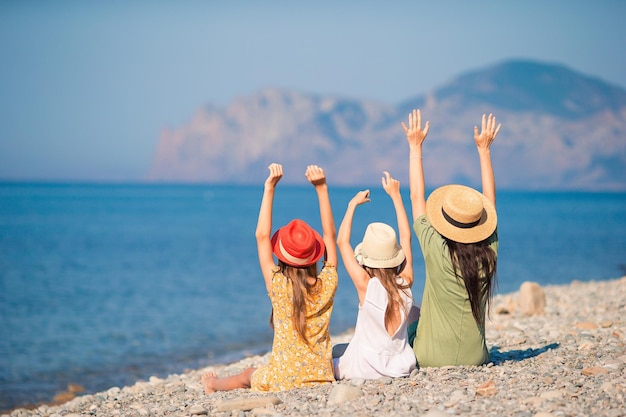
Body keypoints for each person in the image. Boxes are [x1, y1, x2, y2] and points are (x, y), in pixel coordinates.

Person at [202, 163, 338, 392]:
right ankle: (214, 384)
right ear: (315, 256)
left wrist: (270, 187)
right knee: (253, 373)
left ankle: (212, 384)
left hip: (283, 379)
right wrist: (322, 188)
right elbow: (330, 236)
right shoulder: (328, 283)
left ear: (283, 257)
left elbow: (262, 235)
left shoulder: (279, 284)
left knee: (248, 374)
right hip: (321, 375)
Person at [402, 109, 501, 368]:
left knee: (410, 312)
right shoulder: (489, 251)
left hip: (430, 357)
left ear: (444, 220)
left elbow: (415, 197)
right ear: (479, 223)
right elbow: (490, 202)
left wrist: (415, 147)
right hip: (477, 357)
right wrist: (484, 151)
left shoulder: (435, 246)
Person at [333, 171, 417, 380]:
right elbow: (406, 236)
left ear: (367, 260)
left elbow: (342, 241)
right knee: (339, 347)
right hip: (400, 365)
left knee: (333, 353)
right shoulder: (405, 282)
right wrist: (396, 196)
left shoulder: (366, 285)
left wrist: (352, 205)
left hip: (364, 367)